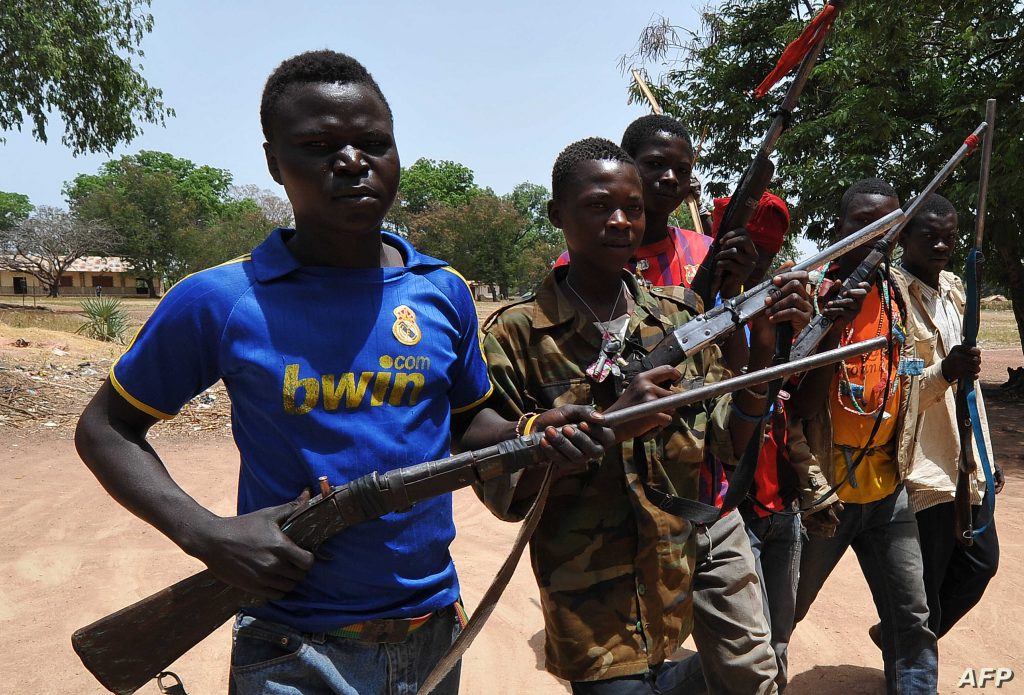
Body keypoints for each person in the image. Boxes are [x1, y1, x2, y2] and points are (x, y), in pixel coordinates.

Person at [74, 50, 604, 695]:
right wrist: (205, 534)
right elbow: (107, 428)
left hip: (434, 631)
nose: (353, 161)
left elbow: (469, 423)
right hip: (292, 647)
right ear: (274, 162)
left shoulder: (442, 290)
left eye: (374, 142)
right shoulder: (221, 300)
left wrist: (534, 434)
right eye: (319, 146)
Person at [469, 136, 812, 695]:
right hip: (590, 604)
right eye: (598, 206)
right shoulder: (516, 335)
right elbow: (503, 486)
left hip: (676, 577)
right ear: (557, 214)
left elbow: (726, 440)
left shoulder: (680, 316)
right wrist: (606, 427)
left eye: (632, 207)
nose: (620, 221)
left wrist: (765, 354)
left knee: (743, 672)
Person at [620, 114, 779, 695]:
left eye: (681, 169)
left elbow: (737, 368)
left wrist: (734, 292)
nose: (669, 178)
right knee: (631, 665)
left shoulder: (705, 250)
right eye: (654, 165)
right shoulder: (600, 255)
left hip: (710, 491)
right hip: (630, 502)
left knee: (749, 667)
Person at [789, 178, 938, 693]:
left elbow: (911, 378)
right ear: (839, 229)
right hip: (823, 492)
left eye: (889, 227)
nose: (877, 238)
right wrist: (833, 327)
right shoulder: (809, 293)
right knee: (784, 612)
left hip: (887, 489)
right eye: (862, 225)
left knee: (911, 617)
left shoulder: (901, 293)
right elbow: (794, 405)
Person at [890, 193, 1000, 639]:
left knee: (980, 565)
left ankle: (905, 640)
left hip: (967, 459)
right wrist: (944, 371)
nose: (940, 246)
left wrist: (987, 457)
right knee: (927, 583)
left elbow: (972, 388)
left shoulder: (955, 290)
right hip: (926, 466)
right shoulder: (893, 296)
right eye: (930, 237)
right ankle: (911, 660)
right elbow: (897, 386)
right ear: (904, 236)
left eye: (948, 238)